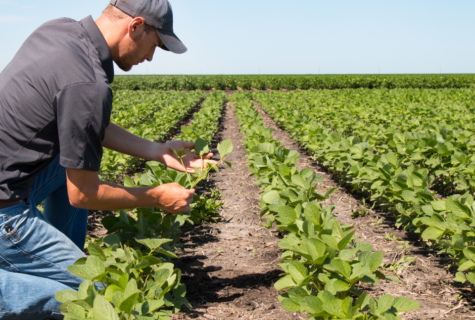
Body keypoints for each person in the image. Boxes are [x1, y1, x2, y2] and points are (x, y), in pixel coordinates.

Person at [0, 1, 212, 319]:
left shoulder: (61, 30)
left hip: (12, 182)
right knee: (95, 298)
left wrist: (156, 150)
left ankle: (60, 262)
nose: (151, 58)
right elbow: (83, 194)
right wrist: (157, 196)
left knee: (67, 160)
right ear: (136, 25)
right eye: (154, 45)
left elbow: (83, 122)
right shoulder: (88, 84)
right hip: (6, 212)